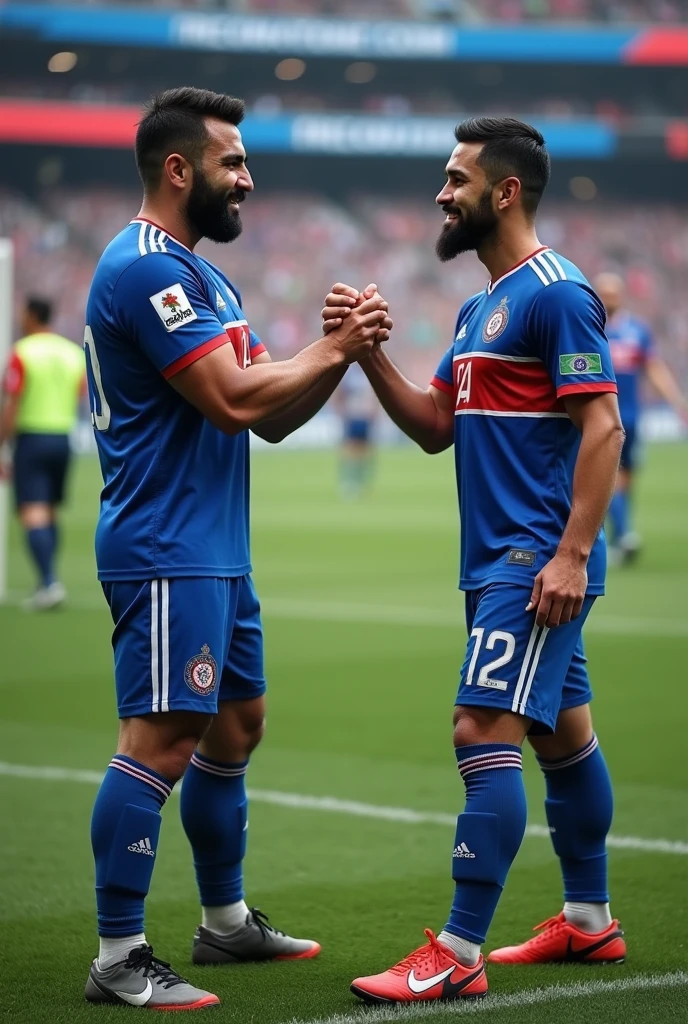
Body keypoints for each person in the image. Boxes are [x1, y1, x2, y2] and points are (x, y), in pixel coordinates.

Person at [83, 87, 390, 1011]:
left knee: (236, 725)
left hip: (215, 544)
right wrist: (332, 349)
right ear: (180, 169)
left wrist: (339, 353)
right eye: (234, 163)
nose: (249, 180)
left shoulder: (205, 278)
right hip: (167, 543)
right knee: (163, 738)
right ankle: (118, 956)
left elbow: (271, 411)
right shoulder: (146, 270)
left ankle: (224, 926)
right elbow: (234, 397)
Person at [322, 117, 626, 1005]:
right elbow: (434, 428)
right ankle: (588, 920)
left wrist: (570, 556)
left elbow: (603, 426)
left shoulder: (557, 294)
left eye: (455, 179)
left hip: (532, 563)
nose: (440, 194)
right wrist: (366, 353)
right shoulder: (478, 307)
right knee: (565, 739)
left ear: (505, 193)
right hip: (500, 562)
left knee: (480, 731)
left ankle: (458, 950)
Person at [593, 272, 688, 565]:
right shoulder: (587, 326)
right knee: (605, 478)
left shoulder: (636, 330)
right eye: (603, 293)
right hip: (600, 419)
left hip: (631, 417)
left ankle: (620, 537)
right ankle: (624, 535)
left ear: (621, 295)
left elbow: (653, 368)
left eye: (613, 293)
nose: (609, 299)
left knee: (625, 480)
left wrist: (676, 401)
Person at [0, 296, 84, 610]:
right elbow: (80, 392)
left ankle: (49, 583)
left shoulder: (23, 352)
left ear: (33, 316)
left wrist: (1, 443)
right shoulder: (71, 352)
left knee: (32, 511)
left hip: (32, 437)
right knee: (48, 510)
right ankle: (47, 580)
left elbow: (13, 402)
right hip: (63, 437)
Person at [333, 361, 379, 499]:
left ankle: (362, 483)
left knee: (365, 452)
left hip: (365, 417)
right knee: (350, 451)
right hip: (352, 416)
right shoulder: (349, 374)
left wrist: (374, 411)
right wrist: (341, 412)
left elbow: (375, 394)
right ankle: (348, 482)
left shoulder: (369, 373)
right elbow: (340, 394)